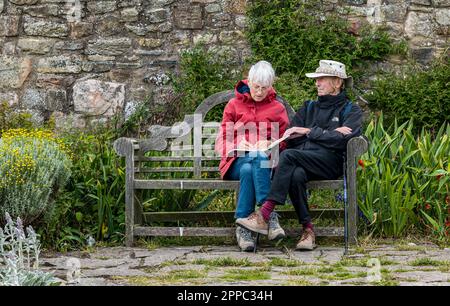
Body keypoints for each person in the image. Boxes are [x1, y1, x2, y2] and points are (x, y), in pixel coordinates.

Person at [236, 60, 363, 250]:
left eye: (322, 79)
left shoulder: (350, 110)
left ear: (337, 82)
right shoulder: (309, 107)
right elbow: (291, 136)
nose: (317, 83)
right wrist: (324, 135)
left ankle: (264, 214)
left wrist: (309, 133)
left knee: (288, 157)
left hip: (330, 163)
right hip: (304, 161)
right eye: (316, 79)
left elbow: (343, 141)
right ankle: (308, 231)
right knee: (295, 174)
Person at [215, 60, 289, 252]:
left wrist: (272, 144)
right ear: (249, 81)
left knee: (252, 166)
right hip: (235, 163)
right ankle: (268, 215)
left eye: (264, 88)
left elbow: (287, 139)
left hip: (264, 165)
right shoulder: (233, 105)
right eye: (256, 87)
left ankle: (243, 230)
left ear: (271, 86)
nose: (259, 92)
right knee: (251, 161)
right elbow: (222, 139)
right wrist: (237, 144)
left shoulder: (277, 108)